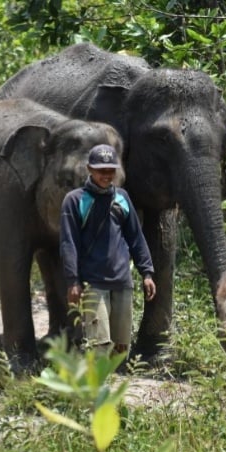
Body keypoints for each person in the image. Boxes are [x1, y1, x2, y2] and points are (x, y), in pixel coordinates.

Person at [59, 144, 157, 359]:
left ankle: (109, 389)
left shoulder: (122, 198)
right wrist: (73, 281)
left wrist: (147, 272)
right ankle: (97, 390)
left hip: (122, 282)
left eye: (111, 170)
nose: (106, 175)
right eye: (101, 170)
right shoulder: (75, 200)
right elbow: (69, 243)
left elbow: (135, 237)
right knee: (99, 346)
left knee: (121, 348)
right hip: (93, 284)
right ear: (89, 169)